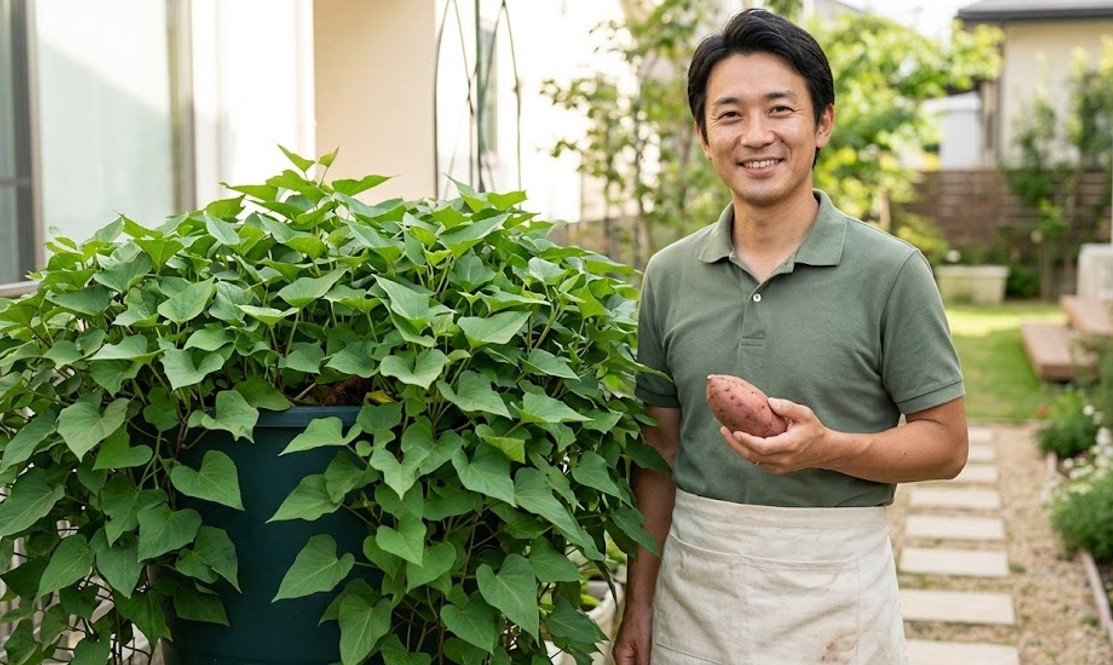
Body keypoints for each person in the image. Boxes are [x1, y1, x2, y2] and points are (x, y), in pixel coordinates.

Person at [612, 8, 968, 665]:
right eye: (729, 114)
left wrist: (827, 447)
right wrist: (638, 599)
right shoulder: (667, 277)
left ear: (821, 122)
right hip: (698, 587)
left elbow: (945, 445)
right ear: (702, 132)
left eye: (779, 109)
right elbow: (657, 449)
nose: (755, 136)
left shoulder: (890, 273)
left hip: (836, 591)